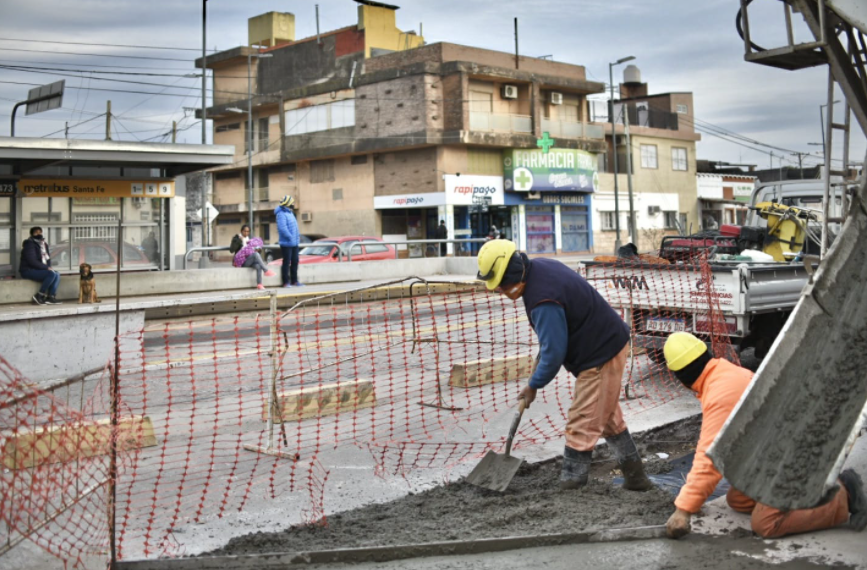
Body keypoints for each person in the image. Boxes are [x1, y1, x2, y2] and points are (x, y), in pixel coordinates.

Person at [476, 239, 652, 491]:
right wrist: (533, 382)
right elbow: (549, 340)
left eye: (501, 286)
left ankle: (571, 487)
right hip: (607, 343)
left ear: (511, 274)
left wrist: (534, 384)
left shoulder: (542, 299)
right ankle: (637, 480)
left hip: (600, 355)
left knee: (581, 424)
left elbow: (553, 353)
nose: (501, 291)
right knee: (608, 418)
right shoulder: (539, 269)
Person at [662, 331, 866, 539]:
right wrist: (694, 498)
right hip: (782, 448)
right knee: (740, 500)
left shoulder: (721, 394)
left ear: (682, 379)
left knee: (766, 523)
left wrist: (684, 510)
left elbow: (710, 458)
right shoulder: (724, 374)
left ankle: (845, 494)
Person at [20, 227, 62, 305]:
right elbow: (32, 261)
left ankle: (50, 297)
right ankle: (39, 295)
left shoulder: (44, 244)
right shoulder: (29, 244)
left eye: (40, 232)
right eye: (36, 232)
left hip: (39, 269)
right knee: (51, 274)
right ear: (32, 234)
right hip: (28, 270)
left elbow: (47, 258)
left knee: (56, 274)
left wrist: (49, 267)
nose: (39, 234)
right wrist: (46, 268)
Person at [275, 195, 302, 287]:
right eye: (292, 202)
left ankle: (294, 280)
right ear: (288, 203)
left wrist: (297, 236)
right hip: (286, 243)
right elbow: (282, 228)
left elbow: (295, 227)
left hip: (294, 243)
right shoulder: (281, 214)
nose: (293, 204)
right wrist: (290, 237)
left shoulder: (290, 213)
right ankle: (285, 282)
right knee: (286, 262)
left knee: (295, 261)